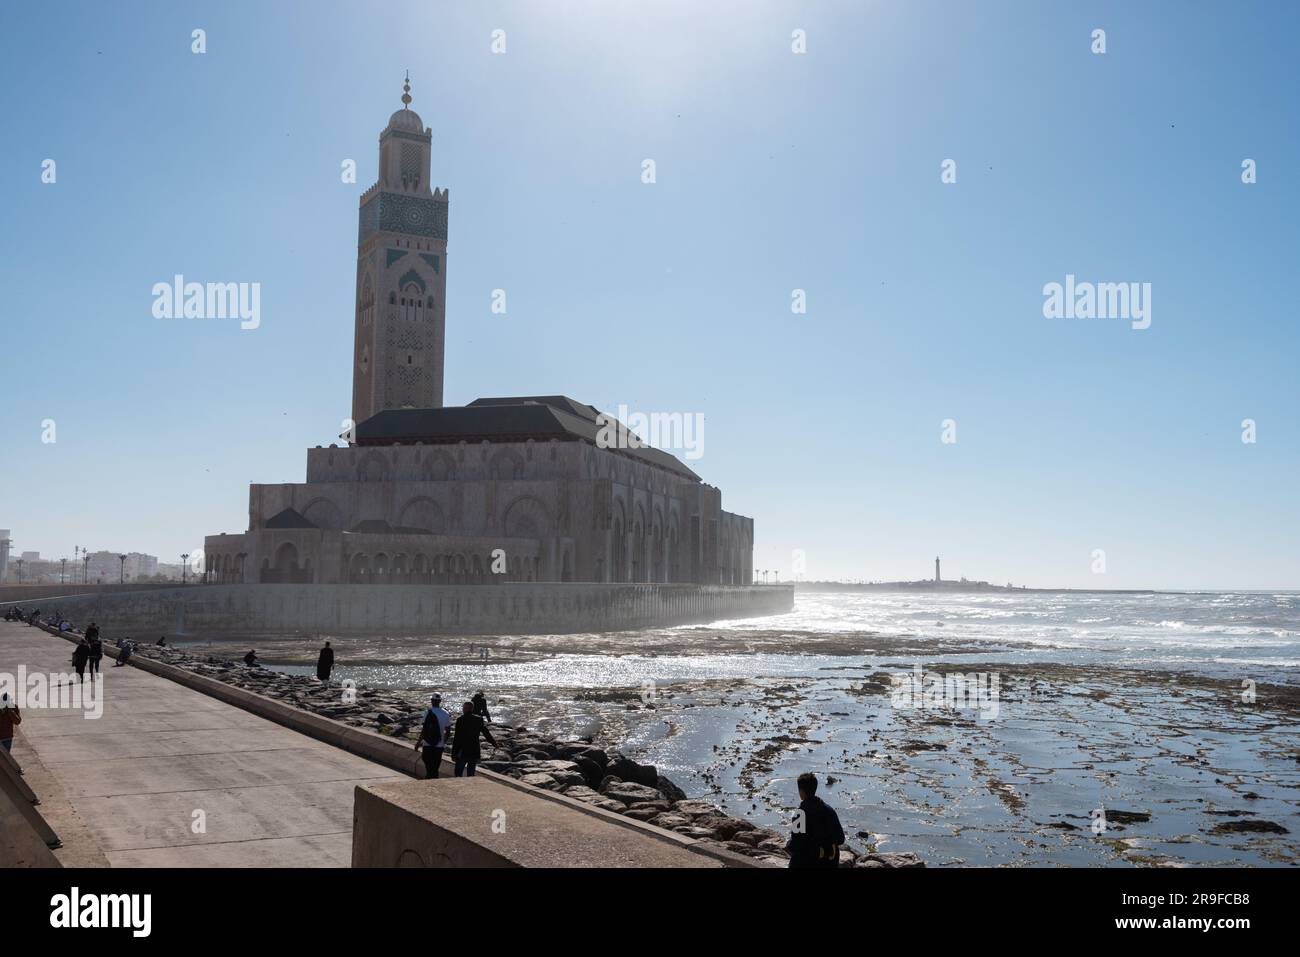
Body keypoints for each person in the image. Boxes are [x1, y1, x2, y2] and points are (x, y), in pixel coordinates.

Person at [786, 772, 846, 868]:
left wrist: (789, 844)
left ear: (801, 792)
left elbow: (796, 845)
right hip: (830, 863)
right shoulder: (829, 810)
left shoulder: (800, 814)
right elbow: (841, 839)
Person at [450, 700, 498, 777]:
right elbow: (486, 733)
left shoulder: (460, 720)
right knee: (471, 773)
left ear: (466, 708)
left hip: (462, 750)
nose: (463, 709)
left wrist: (453, 754)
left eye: (464, 707)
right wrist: (494, 743)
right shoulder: (479, 719)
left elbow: (457, 738)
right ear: (472, 709)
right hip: (474, 749)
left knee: (458, 773)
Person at [414, 693, 452, 779]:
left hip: (428, 743)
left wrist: (418, 742)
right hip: (439, 744)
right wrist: (443, 741)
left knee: (427, 762)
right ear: (440, 701)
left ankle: (429, 777)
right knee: (436, 764)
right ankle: (433, 778)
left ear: (432, 701)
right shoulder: (446, 713)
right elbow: (448, 730)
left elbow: (424, 730)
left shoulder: (427, 712)